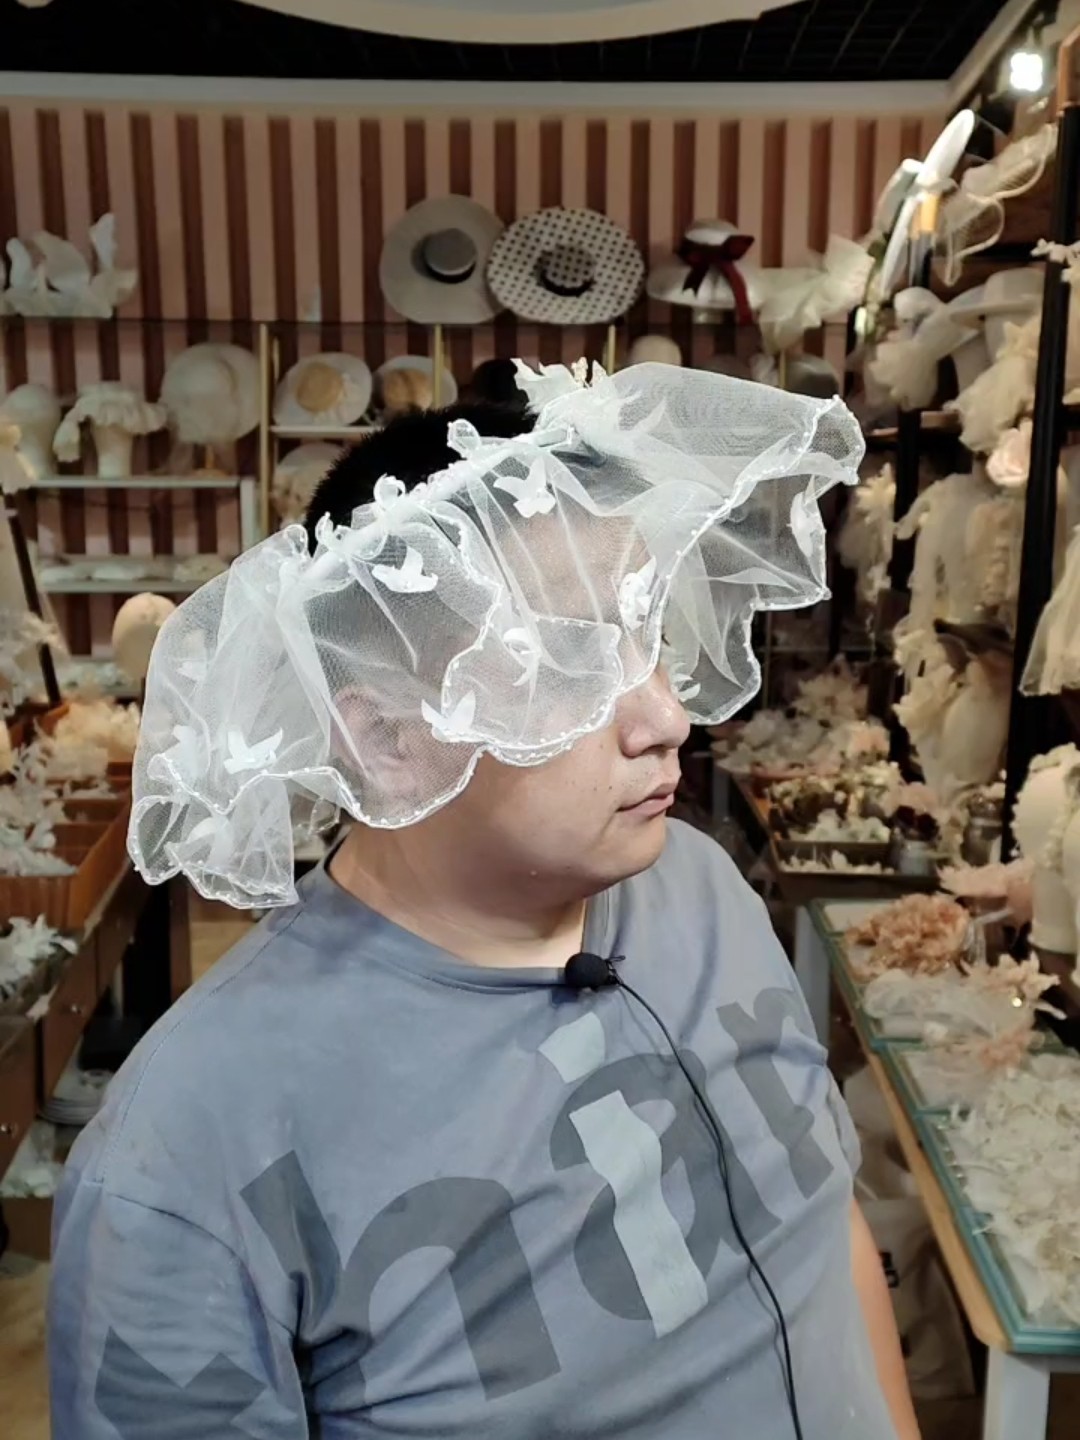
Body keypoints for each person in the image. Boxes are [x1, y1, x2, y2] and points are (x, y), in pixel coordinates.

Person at [49, 361, 920, 1440]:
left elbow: (819, 1227)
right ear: (386, 737)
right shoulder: (188, 1153)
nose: (665, 718)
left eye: (646, 633)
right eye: (568, 660)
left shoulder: (699, 886)